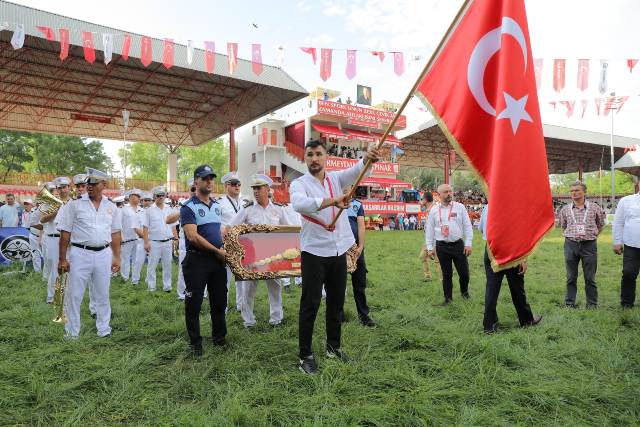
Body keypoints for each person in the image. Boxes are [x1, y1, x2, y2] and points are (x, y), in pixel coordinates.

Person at [290, 139, 380, 374]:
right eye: (309, 155)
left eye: (318, 154)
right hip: (314, 251)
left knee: (336, 302)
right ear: (305, 158)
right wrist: (335, 200)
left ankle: (333, 347)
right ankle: (305, 355)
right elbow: (300, 205)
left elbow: (358, 170)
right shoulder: (299, 184)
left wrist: (368, 157)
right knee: (310, 304)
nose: (314, 159)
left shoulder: (335, 178)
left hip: (337, 251)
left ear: (325, 157)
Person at [58, 168, 122, 339]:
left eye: (94, 183)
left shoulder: (111, 206)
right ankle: (72, 332)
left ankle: (104, 329)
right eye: (88, 183)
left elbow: (115, 234)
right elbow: (65, 234)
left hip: (103, 253)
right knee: (75, 295)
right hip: (80, 253)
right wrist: (62, 259)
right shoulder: (75, 204)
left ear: (104, 184)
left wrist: (117, 257)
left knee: (103, 294)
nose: (90, 187)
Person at [230, 174, 290, 328]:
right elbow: (232, 227)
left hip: (272, 255)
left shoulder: (278, 208)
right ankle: (248, 321)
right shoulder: (248, 209)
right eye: (254, 188)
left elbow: (288, 229)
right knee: (248, 288)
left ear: (267, 189)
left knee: (275, 287)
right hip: (252, 256)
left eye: (259, 188)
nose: (255, 191)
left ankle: (276, 319)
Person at [180, 165, 228, 356]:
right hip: (197, 261)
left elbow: (218, 233)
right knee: (194, 303)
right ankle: (195, 343)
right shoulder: (188, 207)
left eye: (211, 178)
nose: (209, 182)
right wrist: (218, 251)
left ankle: (220, 338)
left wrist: (222, 248)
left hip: (217, 261)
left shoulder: (217, 206)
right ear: (196, 182)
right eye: (205, 178)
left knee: (219, 301)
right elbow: (193, 237)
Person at [479, 204, 542, 332]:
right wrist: (523, 258)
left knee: (492, 288)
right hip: (511, 249)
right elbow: (520, 233)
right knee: (517, 287)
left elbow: (481, 229)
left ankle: (489, 325)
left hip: (491, 249)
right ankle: (526, 320)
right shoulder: (513, 205)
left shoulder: (488, 206)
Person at [558, 181, 605, 308]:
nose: (574, 193)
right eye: (572, 191)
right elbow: (563, 226)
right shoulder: (565, 209)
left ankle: (592, 304)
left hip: (589, 245)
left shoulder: (594, 207)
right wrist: (572, 236)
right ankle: (569, 303)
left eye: (577, 190)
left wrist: (591, 236)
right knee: (571, 277)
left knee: (590, 277)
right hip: (570, 245)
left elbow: (600, 224)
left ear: (584, 192)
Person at [425, 184, 473, 304]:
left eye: (450, 191)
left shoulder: (460, 207)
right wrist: (430, 248)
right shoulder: (434, 210)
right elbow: (429, 230)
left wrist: (468, 243)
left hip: (458, 245)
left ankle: (464, 292)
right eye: (446, 192)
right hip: (442, 246)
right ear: (439, 194)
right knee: (446, 275)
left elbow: (467, 226)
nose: (449, 194)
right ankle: (448, 298)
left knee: (464, 273)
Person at [344, 188, 375, 327]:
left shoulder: (357, 205)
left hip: (356, 250)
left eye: (349, 186)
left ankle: (364, 315)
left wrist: (361, 247)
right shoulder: (334, 205)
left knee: (360, 284)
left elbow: (361, 226)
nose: (346, 189)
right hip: (339, 250)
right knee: (337, 285)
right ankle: (337, 315)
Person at [218, 171, 247, 311]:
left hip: (242, 244)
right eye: (234, 184)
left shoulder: (245, 202)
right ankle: (222, 306)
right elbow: (217, 224)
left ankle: (241, 305)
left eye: (239, 184)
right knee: (225, 277)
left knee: (241, 277)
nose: (237, 187)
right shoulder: (219, 203)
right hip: (226, 244)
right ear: (226, 186)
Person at [41, 177, 72, 304]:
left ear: (69, 188)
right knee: (55, 268)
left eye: (64, 187)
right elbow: (42, 219)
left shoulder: (74, 203)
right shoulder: (50, 203)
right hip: (54, 239)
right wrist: (57, 210)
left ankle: (64, 296)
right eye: (59, 188)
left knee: (69, 269)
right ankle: (52, 297)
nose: (61, 190)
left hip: (71, 240)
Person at [143, 186, 177, 292]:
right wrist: (146, 242)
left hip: (167, 241)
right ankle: (151, 286)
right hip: (154, 242)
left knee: (167, 265)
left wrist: (175, 238)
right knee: (151, 265)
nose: (161, 197)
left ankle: (167, 286)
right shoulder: (149, 210)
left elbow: (173, 225)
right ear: (154, 197)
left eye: (163, 195)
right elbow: (145, 227)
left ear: (165, 196)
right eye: (158, 195)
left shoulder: (169, 209)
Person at [613, 180, 640, 308]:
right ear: (638, 183)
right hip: (631, 244)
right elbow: (618, 222)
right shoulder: (626, 201)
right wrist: (617, 242)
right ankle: (627, 304)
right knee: (629, 273)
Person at [120, 189, 143, 283]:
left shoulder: (141, 210)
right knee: (125, 259)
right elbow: (119, 224)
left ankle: (135, 278)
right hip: (126, 237)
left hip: (138, 238)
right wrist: (120, 237)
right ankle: (125, 278)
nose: (135, 198)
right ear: (129, 197)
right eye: (133, 196)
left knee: (136, 259)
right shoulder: (124, 209)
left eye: (137, 196)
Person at [131, 192, 153, 285]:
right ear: (142, 201)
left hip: (154, 241)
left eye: (149, 200)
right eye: (145, 200)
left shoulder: (155, 212)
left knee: (152, 262)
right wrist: (146, 239)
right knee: (138, 261)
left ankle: (149, 280)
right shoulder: (137, 213)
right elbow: (136, 228)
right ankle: (135, 280)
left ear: (152, 201)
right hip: (142, 240)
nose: (147, 202)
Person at [419, 192, 438, 282]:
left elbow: (437, 227)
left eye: (422, 199)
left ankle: (444, 281)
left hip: (435, 241)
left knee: (438, 262)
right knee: (423, 257)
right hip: (428, 240)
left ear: (426, 200)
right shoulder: (429, 210)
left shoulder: (434, 210)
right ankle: (428, 277)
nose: (420, 201)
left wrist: (433, 245)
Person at [26, 199, 43, 273]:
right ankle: (38, 272)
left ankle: (48, 273)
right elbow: (30, 223)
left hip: (43, 236)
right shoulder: (33, 210)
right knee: (35, 255)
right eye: (38, 201)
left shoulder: (47, 210)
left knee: (48, 256)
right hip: (33, 235)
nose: (39, 202)